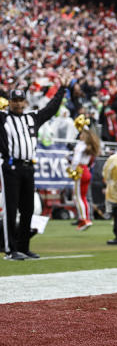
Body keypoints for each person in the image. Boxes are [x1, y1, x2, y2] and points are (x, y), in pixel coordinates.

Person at [1, 75, 70, 260]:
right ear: (8, 102)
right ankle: (10, 250)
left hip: (29, 168)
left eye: (19, 100)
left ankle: (24, 247)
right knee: (10, 208)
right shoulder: (3, 118)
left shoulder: (32, 118)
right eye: (13, 100)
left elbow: (51, 109)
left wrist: (62, 88)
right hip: (11, 167)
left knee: (28, 209)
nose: (17, 104)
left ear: (25, 102)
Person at [70, 125, 100, 231]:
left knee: (77, 197)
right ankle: (86, 218)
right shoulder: (89, 145)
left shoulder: (81, 145)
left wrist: (72, 169)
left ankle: (83, 220)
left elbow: (76, 160)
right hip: (86, 170)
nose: (80, 135)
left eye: (81, 133)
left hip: (80, 170)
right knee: (83, 197)